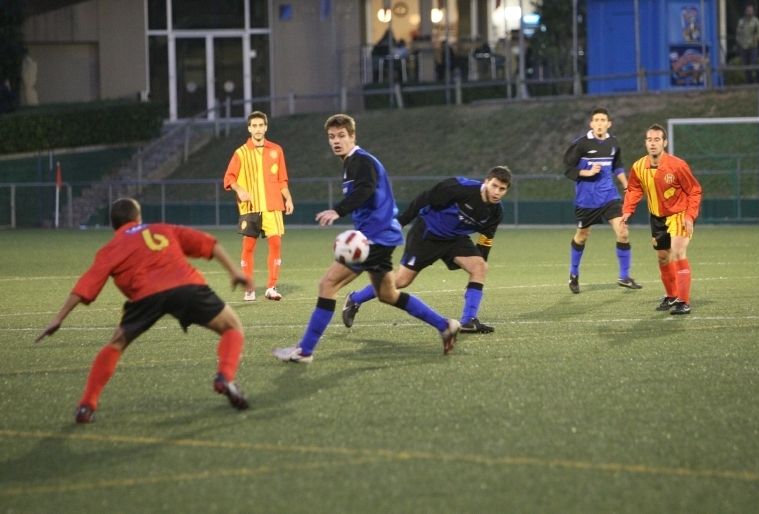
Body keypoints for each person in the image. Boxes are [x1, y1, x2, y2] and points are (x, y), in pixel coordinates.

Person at [35, 198, 252, 423]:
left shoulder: (110, 248)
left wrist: (58, 318)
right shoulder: (163, 228)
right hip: (186, 286)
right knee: (232, 327)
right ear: (138, 218)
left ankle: (86, 405)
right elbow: (209, 243)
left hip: (146, 296)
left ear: (114, 225)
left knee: (116, 344)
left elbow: (85, 286)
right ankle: (225, 376)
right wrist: (234, 272)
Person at [271, 114, 460, 363]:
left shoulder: (360, 161)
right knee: (388, 295)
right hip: (381, 238)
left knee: (327, 285)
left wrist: (337, 210)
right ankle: (445, 325)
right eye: (331, 137)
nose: (336, 141)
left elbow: (365, 189)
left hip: (375, 238)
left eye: (341, 136)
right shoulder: (353, 163)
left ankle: (304, 350)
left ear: (352, 137)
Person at [341, 166, 512, 334]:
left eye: (502, 189)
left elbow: (486, 238)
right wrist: (401, 222)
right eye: (494, 186)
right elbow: (425, 198)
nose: (497, 192)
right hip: (427, 233)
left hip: (455, 239)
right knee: (401, 281)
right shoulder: (460, 188)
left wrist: (479, 258)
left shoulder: (496, 212)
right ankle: (355, 299)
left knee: (480, 267)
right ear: (486, 182)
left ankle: (469, 320)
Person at [622, 125, 703, 315]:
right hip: (657, 217)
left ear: (664, 143)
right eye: (649, 139)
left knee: (677, 252)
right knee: (663, 257)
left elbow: (694, 190)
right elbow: (634, 189)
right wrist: (627, 210)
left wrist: (690, 216)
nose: (653, 143)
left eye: (657, 139)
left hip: (679, 215)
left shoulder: (677, 165)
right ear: (645, 143)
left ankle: (684, 301)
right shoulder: (639, 166)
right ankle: (672, 295)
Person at [563, 107, 641, 294]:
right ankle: (573, 274)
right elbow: (568, 169)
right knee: (582, 236)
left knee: (623, 232)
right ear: (591, 124)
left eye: (602, 120)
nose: (599, 123)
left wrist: (626, 185)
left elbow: (618, 166)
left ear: (608, 123)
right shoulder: (581, 144)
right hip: (587, 200)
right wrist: (587, 172)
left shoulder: (613, 143)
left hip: (609, 197)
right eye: (596, 120)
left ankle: (624, 276)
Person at [224, 110, 294, 302]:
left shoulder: (276, 150)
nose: (257, 129)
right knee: (248, 246)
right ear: (249, 128)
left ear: (266, 127)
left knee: (276, 244)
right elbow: (229, 178)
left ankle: (271, 287)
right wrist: (239, 189)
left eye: (260, 125)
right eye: (254, 126)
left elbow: (282, 179)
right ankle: (249, 288)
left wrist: (288, 198)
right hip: (251, 207)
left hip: (273, 206)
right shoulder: (241, 153)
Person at [736, 4, 759, 84]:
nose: (749, 12)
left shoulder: (756, 21)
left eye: (751, 10)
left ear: (753, 11)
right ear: (745, 11)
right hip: (743, 47)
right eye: (748, 10)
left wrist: (756, 38)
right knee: (746, 66)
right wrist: (739, 42)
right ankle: (749, 82)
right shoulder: (741, 21)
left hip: (753, 46)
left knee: (754, 62)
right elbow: (738, 33)